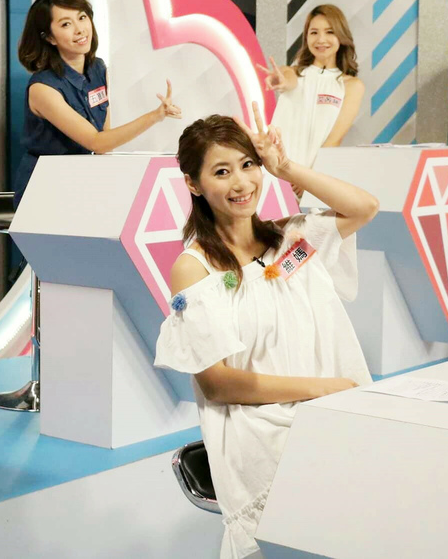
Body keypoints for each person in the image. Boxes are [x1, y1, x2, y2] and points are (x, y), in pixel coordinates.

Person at [155, 106, 377, 558]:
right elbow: (217, 383)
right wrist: (324, 389)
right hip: (260, 432)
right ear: (194, 185)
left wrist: (286, 167)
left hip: (329, 414)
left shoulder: (292, 239)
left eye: (248, 165)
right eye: (222, 172)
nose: (241, 183)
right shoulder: (194, 269)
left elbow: (364, 207)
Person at [12, 0, 181, 205]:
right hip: (45, 189)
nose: (79, 29)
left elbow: (105, 139)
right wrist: (155, 116)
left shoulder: (98, 69)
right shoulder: (43, 88)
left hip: (82, 180)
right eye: (66, 24)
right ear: (50, 38)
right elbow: (96, 142)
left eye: (82, 17)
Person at [259, 4, 363, 169]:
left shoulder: (352, 86)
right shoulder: (293, 72)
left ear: (341, 36)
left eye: (329, 32)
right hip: (276, 172)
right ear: (306, 37)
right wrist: (282, 81)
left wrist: (309, 177)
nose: (321, 39)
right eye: (314, 32)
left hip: (315, 174)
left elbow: (334, 140)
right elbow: (288, 80)